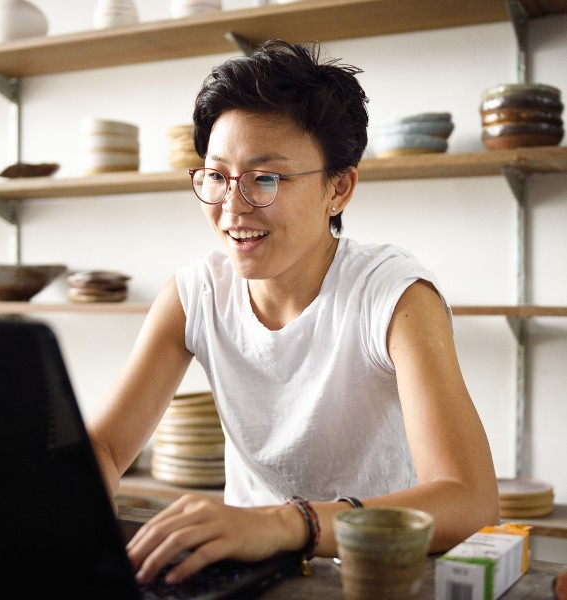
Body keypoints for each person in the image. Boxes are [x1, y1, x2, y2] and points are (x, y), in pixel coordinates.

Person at [87, 38, 499, 586]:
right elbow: (108, 446)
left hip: (372, 577)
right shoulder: (195, 294)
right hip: (246, 576)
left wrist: (287, 522)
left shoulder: (393, 296)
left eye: (266, 178)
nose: (232, 208)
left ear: (339, 188)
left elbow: (469, 502)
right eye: (215, 176)